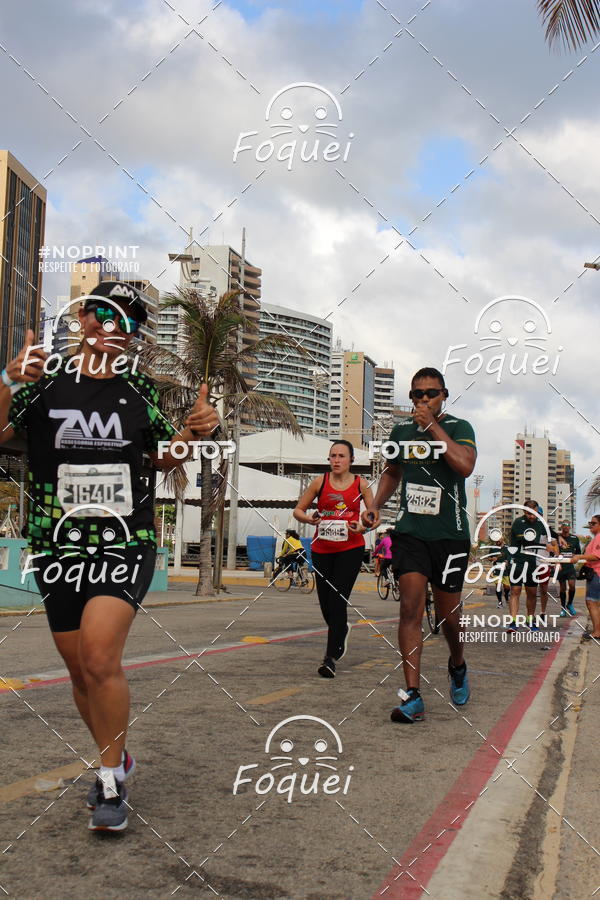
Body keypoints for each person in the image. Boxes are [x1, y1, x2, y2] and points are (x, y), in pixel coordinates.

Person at [0, 282, 219, 832]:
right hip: (57, 545)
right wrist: (7, 380)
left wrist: (193, 434)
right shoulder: (44, 382)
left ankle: (109, 781)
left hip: (125, 543)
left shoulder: (139, 389)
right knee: (79, 670)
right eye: (98, 311)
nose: (105, 323)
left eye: (121, 318)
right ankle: (116, 756)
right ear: (82, 318)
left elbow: (163, 454)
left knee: (100, 657)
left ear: (131, 335)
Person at [362, 367, 476, 723]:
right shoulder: (400, 432)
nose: (423, 400)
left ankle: (457, 663)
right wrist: (375, 505)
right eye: (417, 394)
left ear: (444, 394)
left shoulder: (459, 428)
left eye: (431, 393)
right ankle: (413, 695)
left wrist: (432, 427)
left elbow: (464, 466)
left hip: (451, 537)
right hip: (411, 532)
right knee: (409, 608)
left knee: (448, 619)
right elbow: (394, 472)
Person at [293, 440, 373, 678]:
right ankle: (341, 630)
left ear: (351, 460)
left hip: (350, 549)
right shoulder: (320, 482)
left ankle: (329, 658)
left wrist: (363, 526)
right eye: (333, 456)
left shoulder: (362, 484)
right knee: (327, 604)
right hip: (322, 550)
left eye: (341, 456)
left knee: (338, 599)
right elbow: (298, 510)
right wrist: (310, 520)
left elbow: (373, 515)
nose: (337, 460)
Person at [507, 500, 557, 633]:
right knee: (515, 591)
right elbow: (526, 540)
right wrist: (545, 546)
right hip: (517, 562)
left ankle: (530, 621)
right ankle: (513, 622)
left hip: (531, 564)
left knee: (532, 593)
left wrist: (559, 539)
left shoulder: (540, 523)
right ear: (524, 512)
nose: (531, 516)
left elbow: (550, 532)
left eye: (533, 513)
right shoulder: (519, 522)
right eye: (528, 513)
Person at [570, 515, 600, 640]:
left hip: (596, 574)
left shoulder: (599, 538)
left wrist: (579, 557)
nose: (590, 525)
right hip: (594, 574)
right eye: (590, 523)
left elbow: (597, 556)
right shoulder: (596, 538)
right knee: (594, 603)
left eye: (593, 523)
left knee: (591, 602)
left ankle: (597, 632)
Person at [556, 522, 580, 617]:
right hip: (561, 567)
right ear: (561, 527)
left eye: (567, 525)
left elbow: (578, 552)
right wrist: (557, 562)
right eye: (564, 525)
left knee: (572, 585)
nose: (566, 527)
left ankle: (569, 604)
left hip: (570, 567)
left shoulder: (574, 538)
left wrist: (575, 556)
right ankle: (563, 608)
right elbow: (553, 551)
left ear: (570, 527)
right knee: (562, 588)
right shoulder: (557, 538)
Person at [491, 539, 510, 608]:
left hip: (505, 571)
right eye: (496, 539)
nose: (497, 541)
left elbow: (510, 556)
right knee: (498, 587)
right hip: (496, 570)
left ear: (502, 539)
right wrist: (492, 559)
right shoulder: (493, 548)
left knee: (507, 587)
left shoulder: (507, 548)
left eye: (499, 539)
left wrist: (508, 561)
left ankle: (506, 595)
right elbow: (489, 558)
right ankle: (500, 603)